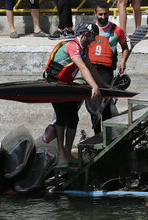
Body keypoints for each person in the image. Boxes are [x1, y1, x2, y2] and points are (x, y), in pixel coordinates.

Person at [44, 22, 108, 167]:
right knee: (61, 118)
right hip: (55, 85)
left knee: (73, 118)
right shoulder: (73, 46)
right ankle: (61, 155)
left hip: (66, 85)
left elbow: (91, 68)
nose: (94, 40)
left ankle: (67, 153)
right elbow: (83, 68)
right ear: (86, 34)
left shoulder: (84, 48)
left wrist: (105, 85)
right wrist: (94, 86)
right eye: (93, 36)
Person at [86, 1, 129, 134]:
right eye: (100, 14)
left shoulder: (117, 31)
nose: (103, 17)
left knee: (105, 107)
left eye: (105, 14)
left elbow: (125, 48)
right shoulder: (89, 30)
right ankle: (96, 136)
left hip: (106, 72)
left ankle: (107, 137)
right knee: (93, 106)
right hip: (90, 71)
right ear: (95, 14)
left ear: (109, 13)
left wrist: (123, 61)